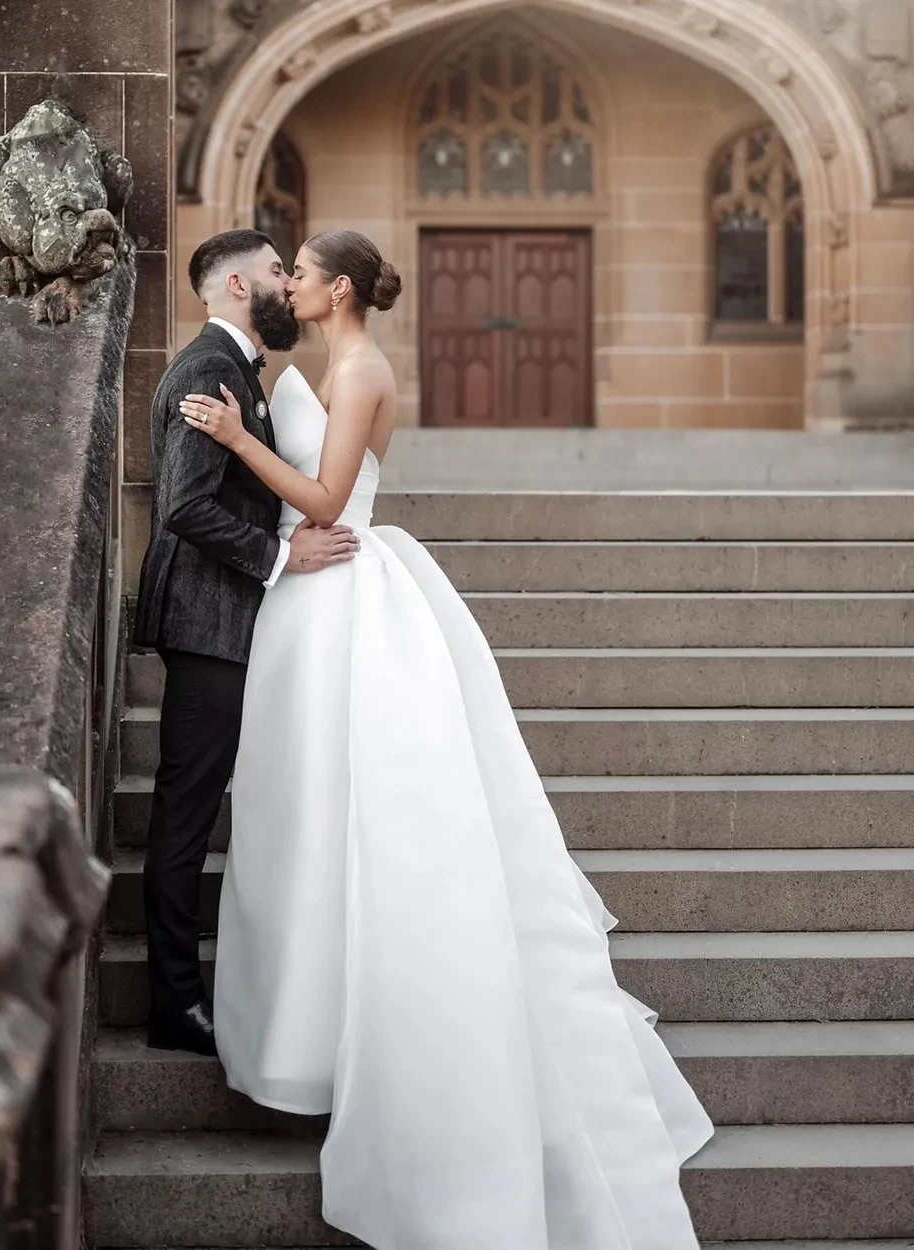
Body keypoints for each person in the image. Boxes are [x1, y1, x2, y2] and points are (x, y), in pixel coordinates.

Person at [181, 229, 713, 1249]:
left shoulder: (367, 367)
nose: (286, 281)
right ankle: (309, 1032)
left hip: (344, 590)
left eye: (299, 269)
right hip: (310, 599)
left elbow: (329, 500)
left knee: (372, 816)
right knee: (306, 817)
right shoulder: (325, 360)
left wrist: (235, 440)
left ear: (336, 288)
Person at [132, 230, 359, 1056]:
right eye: (274, 271)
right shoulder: (208, 371)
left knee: (193, 810)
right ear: (234, 285)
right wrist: (280, 554)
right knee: (185, 815)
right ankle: (174, 1004)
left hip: (227, 621)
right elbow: (184, 506)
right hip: (207, 622)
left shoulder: (235, 371)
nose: (284, 283)